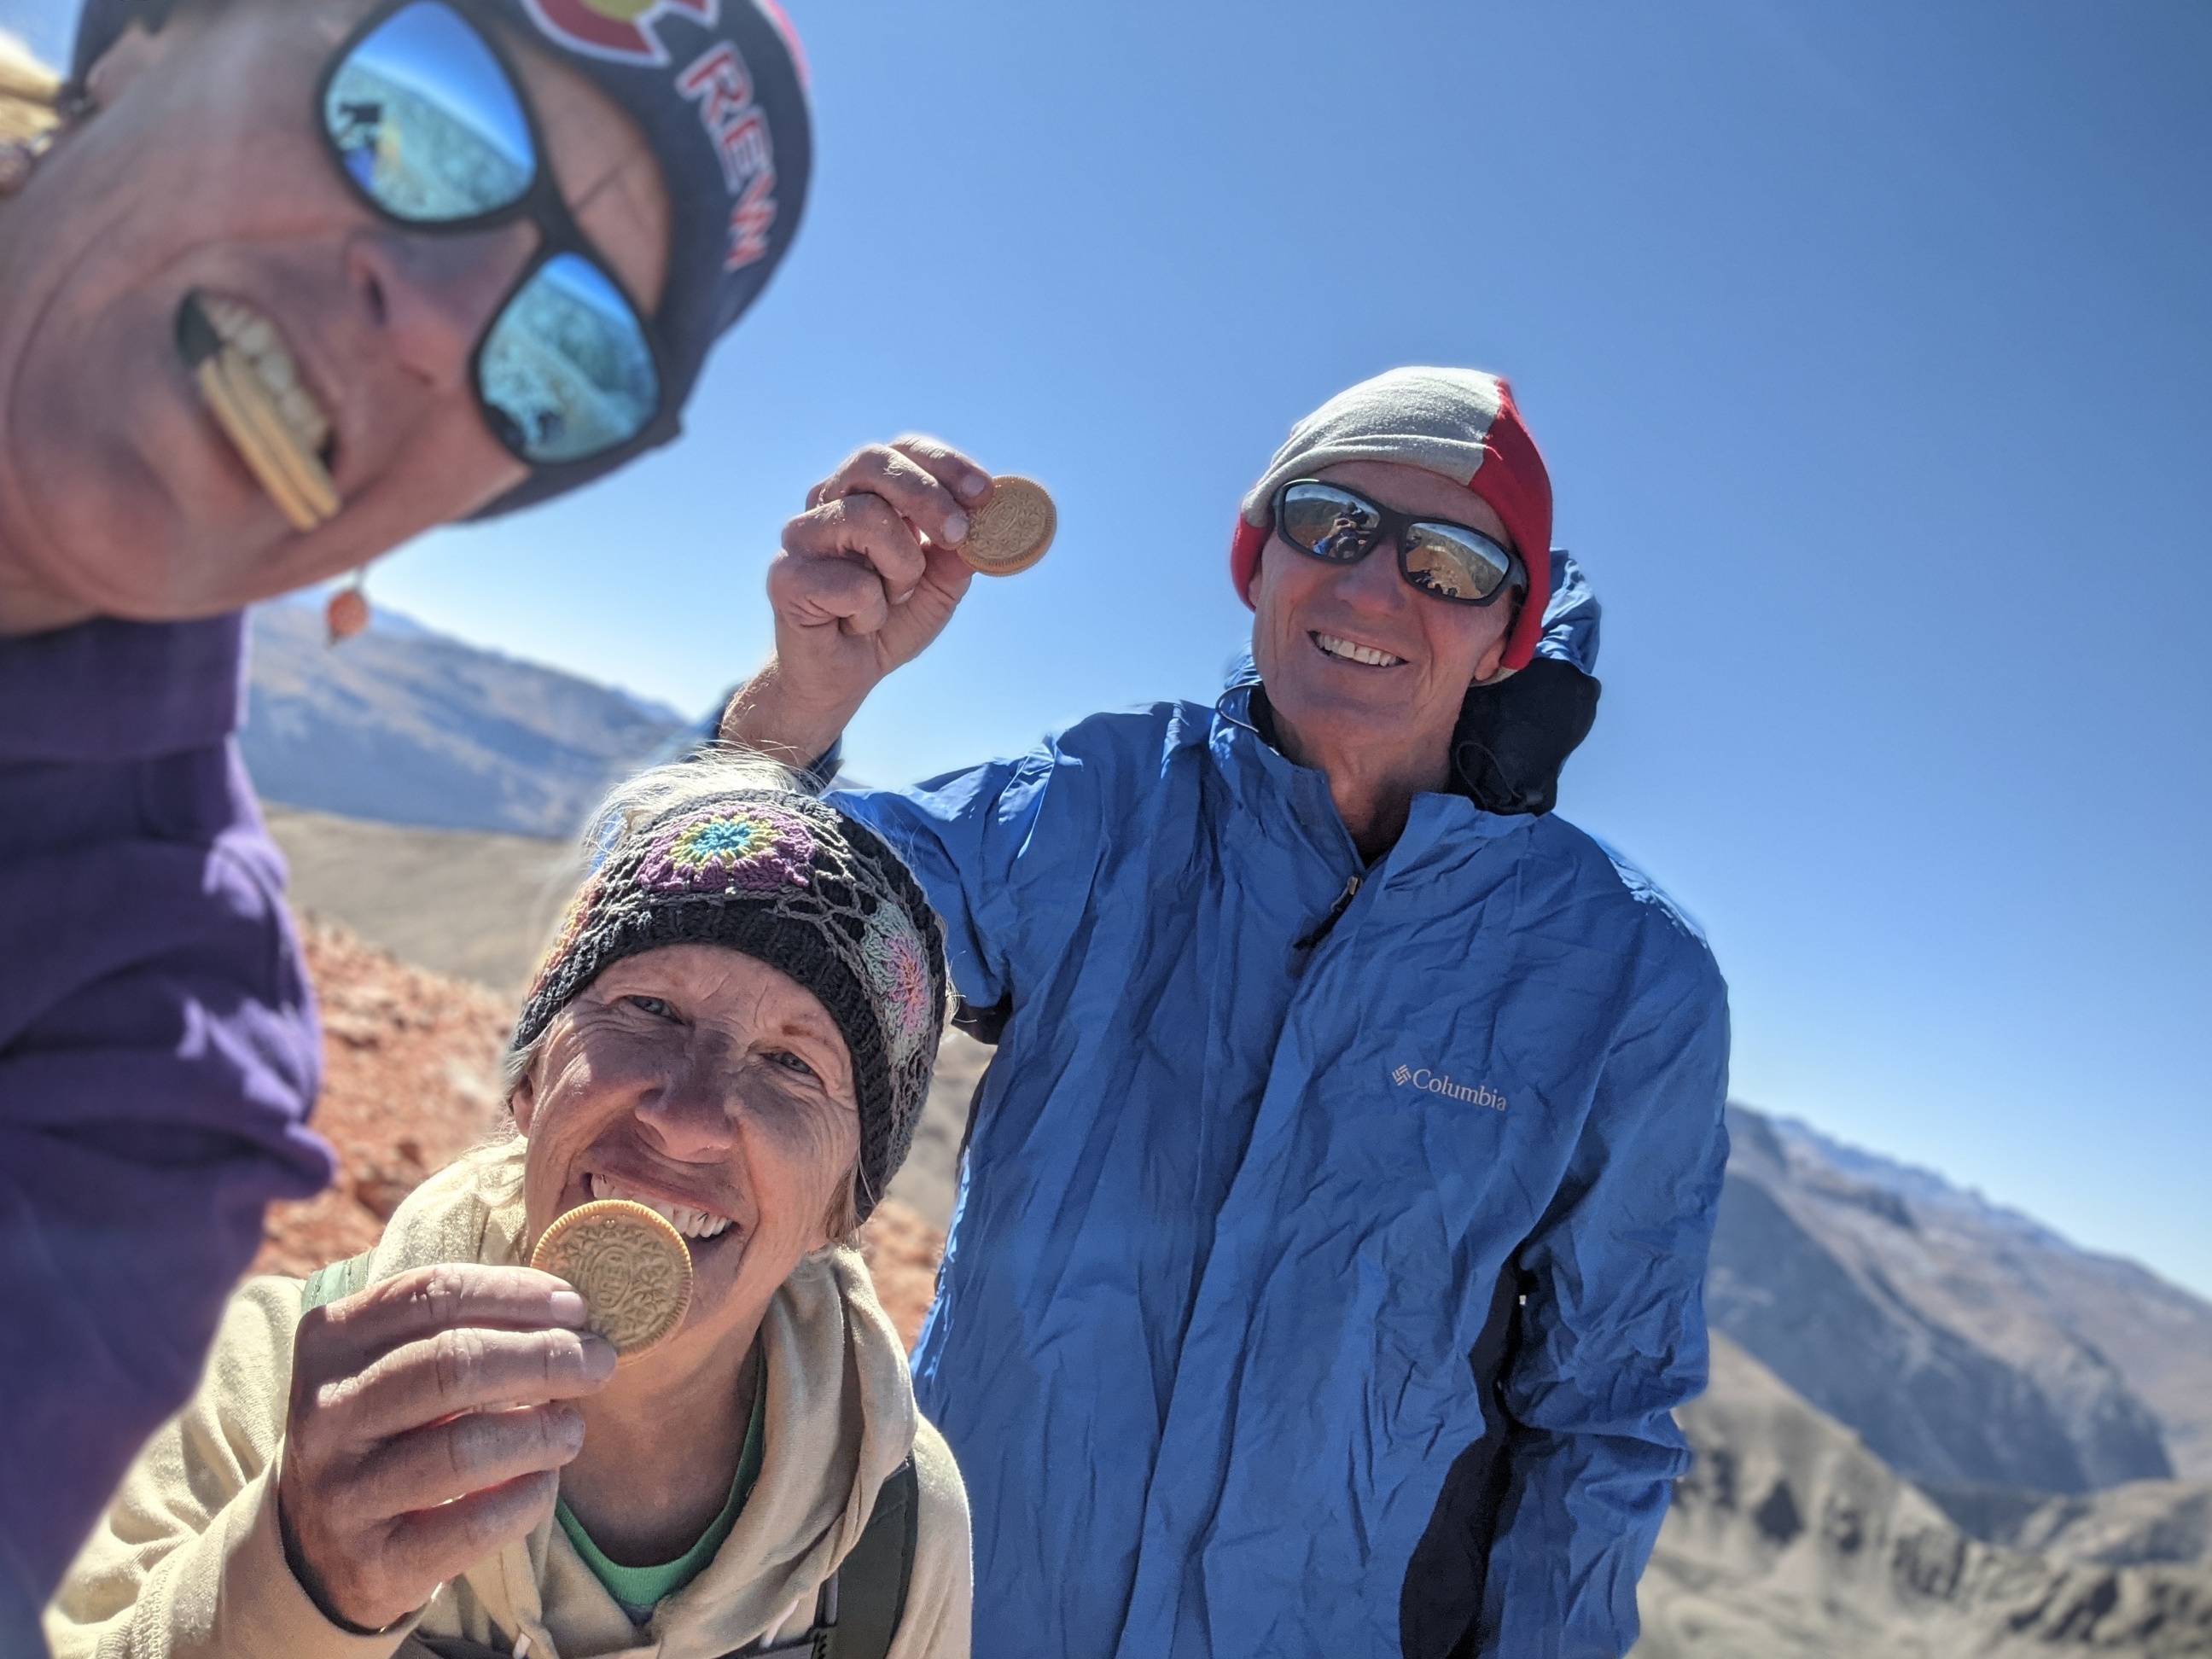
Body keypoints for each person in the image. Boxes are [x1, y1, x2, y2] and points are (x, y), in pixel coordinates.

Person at [0, 0, 808, 1639]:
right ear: (156, 34)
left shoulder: (149, 1046)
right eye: (429, 108)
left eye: (567, 358)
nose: (441, 322)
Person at [719, 368, 1733, 1657]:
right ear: (1258, 561)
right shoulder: (1096, 807)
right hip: (958, 1624)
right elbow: (715, 949)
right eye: (1331, 523)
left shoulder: (1627, 976)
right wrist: (805, 696)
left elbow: (1604, 1416)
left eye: (1452, 564)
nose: (1372, 589)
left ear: (1509, 636)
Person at [48, 761, 973, 1659]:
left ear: (842, 1211)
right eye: (649, 1008)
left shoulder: (897, 1527)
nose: (688, 1119)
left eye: (791, 1065)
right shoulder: (272, 1379)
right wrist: (292, 1579)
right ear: (532, 1081)